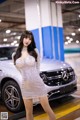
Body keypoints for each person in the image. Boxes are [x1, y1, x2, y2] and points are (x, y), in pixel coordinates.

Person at [12, 30, 56, 120]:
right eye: (25, 37)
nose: (27, 40)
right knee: (28, 113)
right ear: (22, 38)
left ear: (32, 41)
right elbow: (19, 70)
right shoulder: (14, 55)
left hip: (37, 84)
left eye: (30, 39)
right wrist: (26, 79)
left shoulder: (35, 51)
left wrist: (35, 79)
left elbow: (38, 68)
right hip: (25, 85)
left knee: (47, 109)